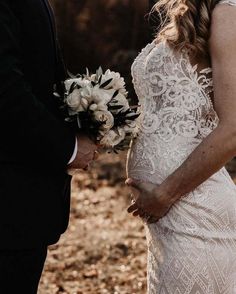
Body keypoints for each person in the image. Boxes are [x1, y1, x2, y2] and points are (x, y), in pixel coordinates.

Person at [126, 0, 236, 292]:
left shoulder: (226, 12)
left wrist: (165, 193)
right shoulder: (188, 14)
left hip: (193, 209)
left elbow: (233, 130)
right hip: (167, 218)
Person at [0, 0, 97, 293]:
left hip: (22, 206)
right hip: (9, 204)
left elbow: (39, 72)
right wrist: (67, 147)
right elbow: (6, 89)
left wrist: (87, 111)